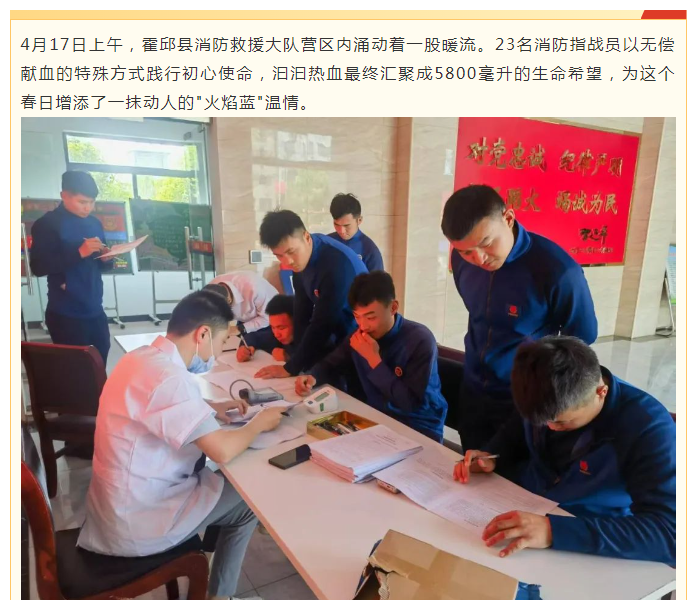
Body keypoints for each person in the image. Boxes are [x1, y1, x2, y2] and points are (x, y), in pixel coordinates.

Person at [78, 290, 285, 600]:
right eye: (222, 342)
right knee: (246, 502)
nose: (219, 353)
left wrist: (209, 407)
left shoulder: (140, 359)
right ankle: (221, 596)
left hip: (117, 509)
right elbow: (221, 450)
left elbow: (153, 404)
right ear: (203, 334)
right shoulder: (170, 378)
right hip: (139, 523)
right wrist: (259, 423)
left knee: (226, 486)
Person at [453, 336, 676, 566]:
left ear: (601, 392)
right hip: (523, 506)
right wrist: (493, 456)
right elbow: (514, 434)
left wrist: (553, 531)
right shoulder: (542, 389)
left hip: (588, 532)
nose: (550, 428)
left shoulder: (648, 427)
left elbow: (671, 533)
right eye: (542, 421)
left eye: (561, 422)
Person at [441, 184, 598, 450]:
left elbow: (583, 338)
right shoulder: (462, 262)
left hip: (523, 401)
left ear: (508, 218)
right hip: (473, 391)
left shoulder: (557, 271)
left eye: (486, 243)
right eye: (466, 251)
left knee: (514, 471)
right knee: (472, 462)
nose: (479, 259)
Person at [295, 271, 448, 442]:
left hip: (419, 426)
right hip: (377, 419)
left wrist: (374, 360)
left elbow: (408, 403)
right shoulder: (360, 334)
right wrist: (312, 376)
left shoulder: (419, 339)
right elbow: (331, 363)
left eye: (371, 317)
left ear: (393, 308)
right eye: (357, 317)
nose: (363, 326)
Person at [255, 209, 368, 379]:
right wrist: (297, 360)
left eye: (291, 252)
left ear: (306, 237)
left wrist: (291, 367)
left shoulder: (335, 265)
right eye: (279, 256)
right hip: (333, 335)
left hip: (359, 338)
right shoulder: (301, 261)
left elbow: (322, 323)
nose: (287, 261)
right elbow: (302, 311)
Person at [29, 171, 114, 365]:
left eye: (92, 202)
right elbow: (38, 267)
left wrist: (106, 259)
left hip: (95, 308)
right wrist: (79, 252)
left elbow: (100, 266)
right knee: (75, 371)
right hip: (66, 313)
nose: (88, 208)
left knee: (99, 364)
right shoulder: (47, 224)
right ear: (64, 195)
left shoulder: (94, 223)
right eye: (82, 202)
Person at [205, 269, 279, 337]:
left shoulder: (255, 289)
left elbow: (267, 318)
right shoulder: (212, 286)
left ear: (229, 300)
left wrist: (239, 329)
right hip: (244, 318)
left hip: (269, 318)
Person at [328, 193, 384, 272]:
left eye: (346, 225)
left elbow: (378, 280)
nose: (341, 231)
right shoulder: (326, 243)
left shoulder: (370, 250)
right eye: (336, 224)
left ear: (359, 220)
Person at [237, 294, 296, 363]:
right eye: (273, 327)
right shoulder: (276, 336)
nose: (277, 335)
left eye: (281, 328)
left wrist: (289, 358)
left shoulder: (306, 341)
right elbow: (254, 337)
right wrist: (245, 349)